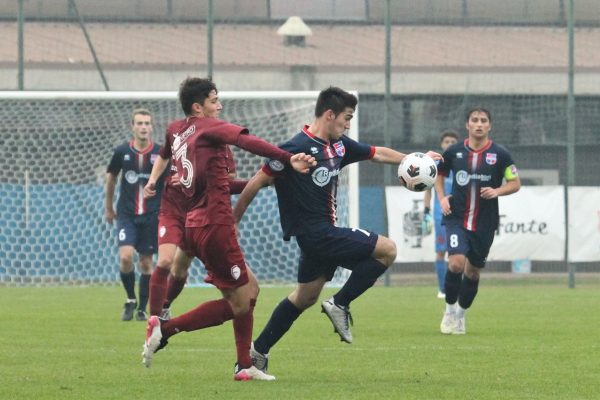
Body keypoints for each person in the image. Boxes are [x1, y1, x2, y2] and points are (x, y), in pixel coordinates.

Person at [233, 86, 442, 374]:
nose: (348, 124)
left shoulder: (339, 146)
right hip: (316, 234)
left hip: (321, 237)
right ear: (329, 115)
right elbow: (255, 183)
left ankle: (256, 355)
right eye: (347, 117)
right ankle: (340, 304)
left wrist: (415, 161)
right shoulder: (293, 149)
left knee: (304, 297)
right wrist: (233, 222)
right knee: (387, 250)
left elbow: (377, 153)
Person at [141, 77, 315, 381]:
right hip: (215, 225)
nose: (219, 106)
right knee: (240, 300)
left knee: (250, 288)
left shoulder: (178, 131)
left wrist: (261, 182)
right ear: (198, 107)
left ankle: (243, 364)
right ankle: (165, 328)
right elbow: (246, 140)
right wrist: (289, 158)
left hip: (194, 223)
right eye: (214, 100)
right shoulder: (206, 127)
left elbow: (208, 177)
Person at [437, 107, 520, 335]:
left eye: (483, 120)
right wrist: (442, 198)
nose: (479, 124)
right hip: (456, 218)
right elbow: (438, 175)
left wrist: (498, 191)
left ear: (489, 126)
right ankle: (449, 310)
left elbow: (515, 183)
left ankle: (461, 316)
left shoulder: (500, 154)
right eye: (475, 120)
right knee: (455, 263)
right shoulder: (454, 151)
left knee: (473, 273)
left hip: (485, 222)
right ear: (468, 125)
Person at [144, 133, 242, 321]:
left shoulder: (219, 143)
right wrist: (152, 180)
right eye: (213, 102)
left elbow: (227, 180)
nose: (217, 108)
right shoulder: (178, 135)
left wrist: (192, 178)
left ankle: (164, 307)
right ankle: (154, 321)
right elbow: (163, 157)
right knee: (165, 261)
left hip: (200, 214)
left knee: (180, 270)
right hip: (172, 210)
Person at [105, 108, 166, 321]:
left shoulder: (160, 153)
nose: (143, 127)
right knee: (125, 257)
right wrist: (108, 206)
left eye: (147, 123)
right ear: (132, 126)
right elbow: (111, 178)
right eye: (139, 123)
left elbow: (168, 183)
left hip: (152, 216)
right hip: (127, 214)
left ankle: (142, 308)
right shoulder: (122, 152)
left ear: (152, 127)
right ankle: (130, 299)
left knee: (147, 263)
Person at [424, 130, 459, 299]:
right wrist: (426, 212)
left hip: (459, 215)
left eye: (453, 141)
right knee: (441, 251)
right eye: (447, 141)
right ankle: (442, 288)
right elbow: (428, 191)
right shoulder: (434, 166)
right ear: (441, 144)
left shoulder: (461, 164)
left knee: (458, 253)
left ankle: (455, 286)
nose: (449, 144)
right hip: (440, 216)